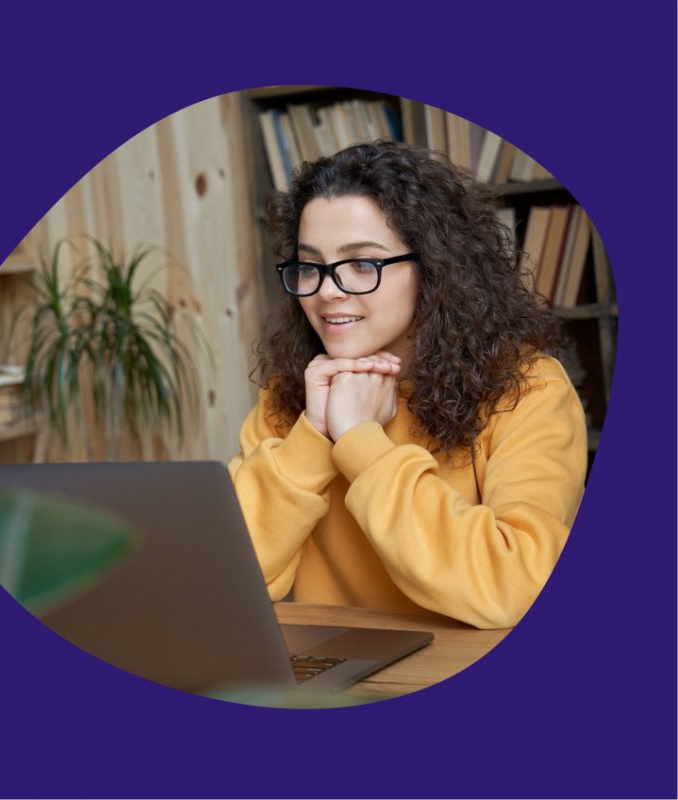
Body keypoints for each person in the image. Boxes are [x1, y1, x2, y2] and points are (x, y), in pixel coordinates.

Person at [228, 141, 587, 629]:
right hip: (333, 684)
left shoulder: (528, 389)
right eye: (310, 266)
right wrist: (312, 435)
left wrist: (359, 441)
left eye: (362, 264)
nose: (327, 290)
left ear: (435, 268)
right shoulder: (290, 397)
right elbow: (229, 580)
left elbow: (512, 588)